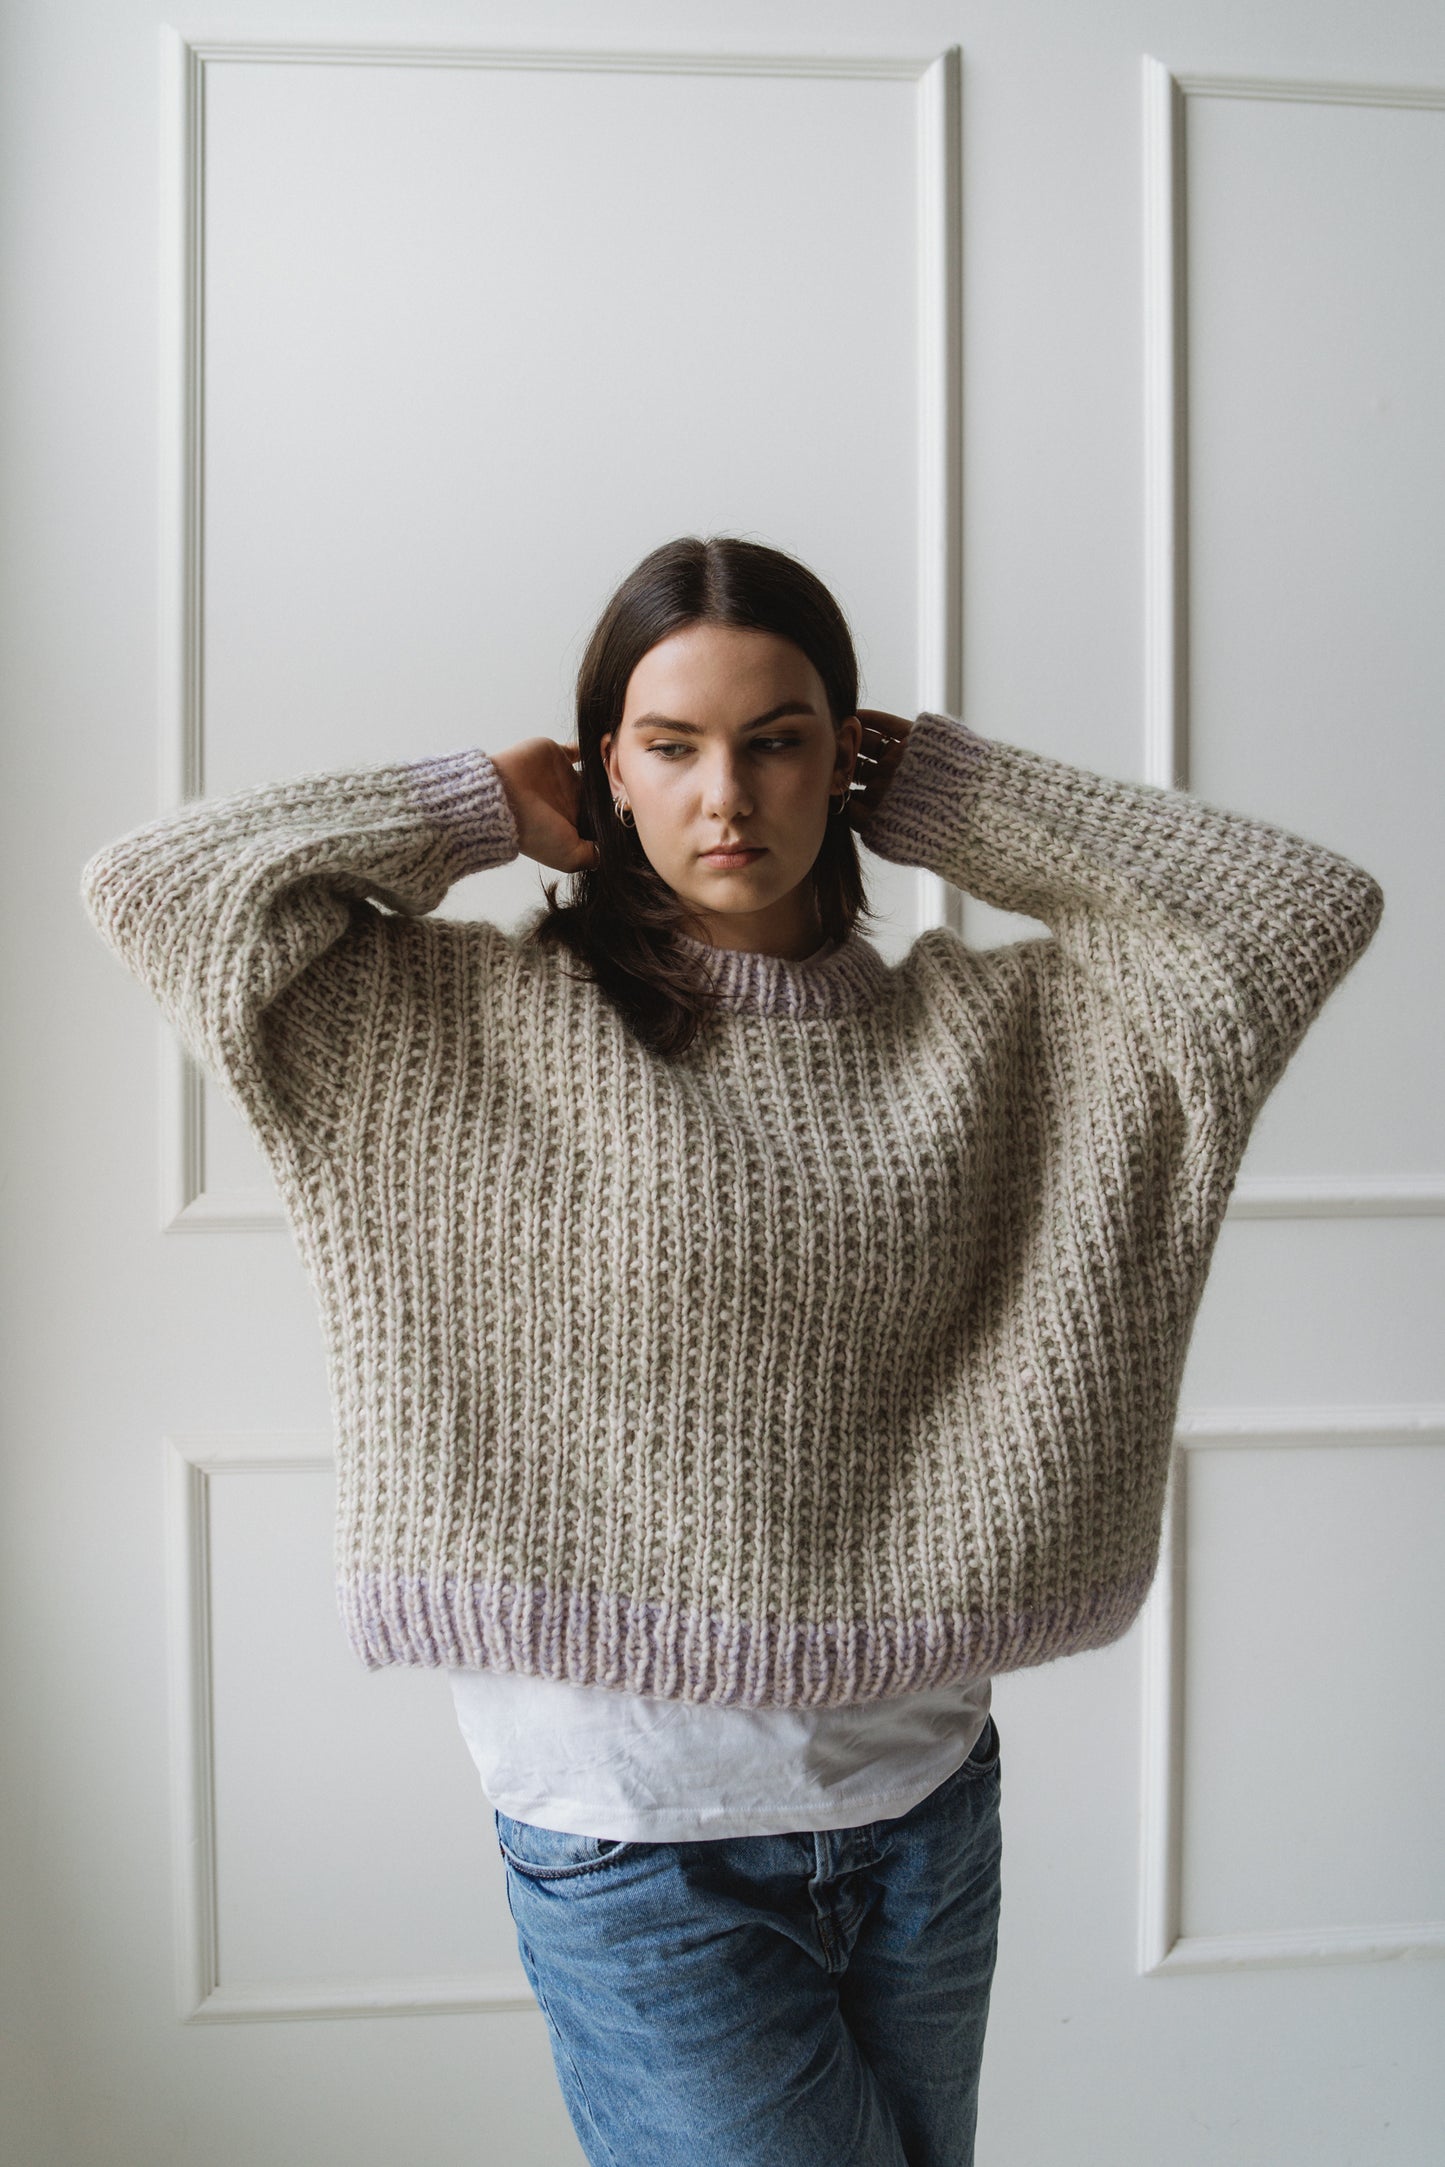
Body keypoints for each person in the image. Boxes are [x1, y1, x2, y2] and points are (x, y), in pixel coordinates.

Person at [78, 536, 1385, 2167]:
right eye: (671, 744)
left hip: (917, 1805)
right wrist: (475, 806)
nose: (727, 796)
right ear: (604, 764)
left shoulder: (998, 1034)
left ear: (841, 757)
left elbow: (1295, 912)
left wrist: (951, 795)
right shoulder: (443, 1023)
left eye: (776, 739)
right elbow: (161, 890)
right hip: (635, 1834)